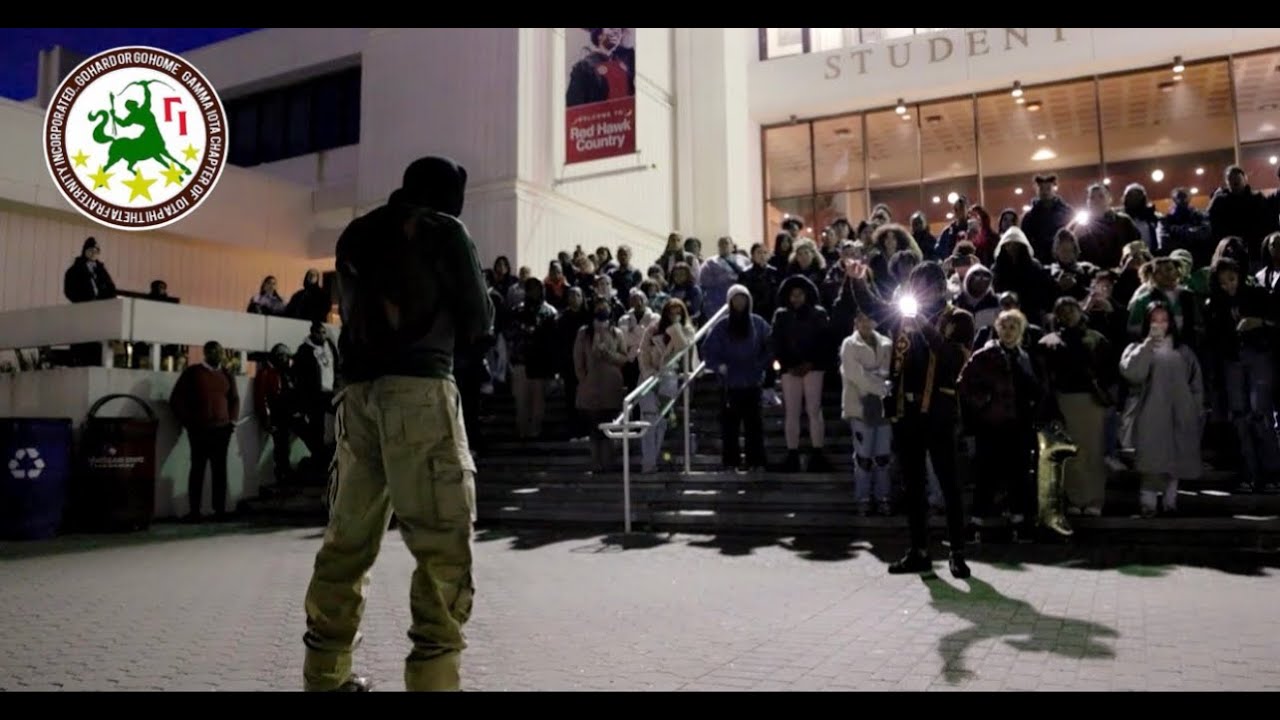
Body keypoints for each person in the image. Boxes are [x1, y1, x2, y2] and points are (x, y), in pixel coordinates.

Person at [302, 156, 493, 692]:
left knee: (347, 543)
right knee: (441, 544)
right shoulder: (444, 229)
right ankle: (432, 680)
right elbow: (479, 320)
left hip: (357, 397)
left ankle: (325, 676)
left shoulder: (356, 233)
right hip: (420, 390)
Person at [849, 260, 972, 579]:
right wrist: (859, 281)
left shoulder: (958, 318)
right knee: (913, 486)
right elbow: (873, 307)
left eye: (928, 285)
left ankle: (957, 552)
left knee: (948, 484)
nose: (923, 292)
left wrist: (924, 326)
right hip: (906, 412)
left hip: (940, 412)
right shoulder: (903, 317)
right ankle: (919, 550)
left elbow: (952, 359)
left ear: (941, 288)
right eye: (918, 285)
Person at [702, 286, 771, 471]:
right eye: (736, 299)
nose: (740, 302)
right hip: (729, 384)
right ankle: (731, 462)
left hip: (752, 382)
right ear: (730, 302)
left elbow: (770, 346)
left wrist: (760, 365)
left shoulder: (758, 323)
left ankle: (756, 461)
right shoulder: (722, 325)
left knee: (754, 425)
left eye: (743, 298)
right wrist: (718, 366)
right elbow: (708, 350)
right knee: (730, 427)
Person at [169, 341, 240, 522]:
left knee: (220, 471)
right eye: (215, 352)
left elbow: (234, 399)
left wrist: (232, 420)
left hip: (221, 430)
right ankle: (195, 511)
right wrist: (188, 422)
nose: (219, 355)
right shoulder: (193, 373)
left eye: (220, 352)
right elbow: (176, 399)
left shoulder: (226, 374)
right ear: (206, 353)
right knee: (198, 470)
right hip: (199, 430)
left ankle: (220, 510)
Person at [840, 310, 893, 516]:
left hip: (883, 408)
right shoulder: (849, 345)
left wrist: (877, 379)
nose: (864, 323)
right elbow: (855, 374)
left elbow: (888, 371)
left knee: (883, 457)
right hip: (860, 406)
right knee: (863, 457)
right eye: (860, 319)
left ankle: (883, 497)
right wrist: (880, 386)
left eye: (868, 319)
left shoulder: (887, 343)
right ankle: (863, 498)